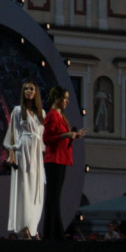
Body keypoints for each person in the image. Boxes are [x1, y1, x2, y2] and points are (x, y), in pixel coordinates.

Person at [2, 81, 46, 239]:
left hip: (36, 155)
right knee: (23, 188)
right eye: (26, 89)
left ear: (36, 92)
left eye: (31, 88)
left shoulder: (42, 114)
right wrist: (11, 152)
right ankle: (24, 226)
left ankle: (33, 225)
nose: (28, 91)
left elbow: (43, 138)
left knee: (36, 189)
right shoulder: (18, 111)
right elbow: (13, 132)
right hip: (23, 151)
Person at [42, 85, 85, 240]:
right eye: (65, 98)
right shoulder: (52, 116)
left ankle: (56, 232)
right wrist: (66, 134)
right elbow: (47, 139)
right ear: (57, 98)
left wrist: (73, 135)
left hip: (60, 159)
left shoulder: (60, 116)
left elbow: (60, 137)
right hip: (54, 159)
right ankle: (51, 233)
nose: (67, 101)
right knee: (53, 197)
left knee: (55, 197)